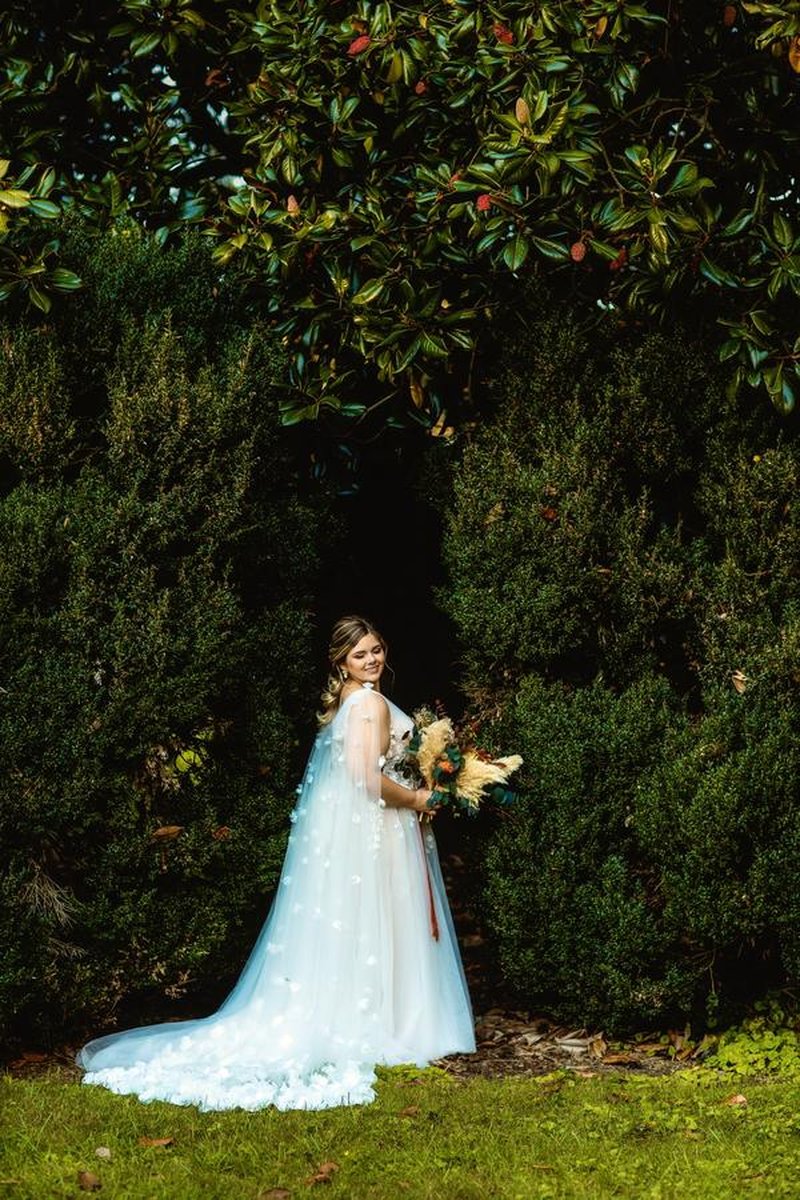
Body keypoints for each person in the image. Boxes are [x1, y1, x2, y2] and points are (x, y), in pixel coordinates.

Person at [77, 615, 476, 1110]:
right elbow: (367, 780)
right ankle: (390, 1023)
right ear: (341, 662)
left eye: (376, 649)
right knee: (383, 919)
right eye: (360, 655)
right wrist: (417, 799)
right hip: (381, 826)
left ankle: (377, 1014)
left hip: (368, 830)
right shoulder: (369, 704)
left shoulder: (349, 704)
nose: (372, 660)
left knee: (365, 924)